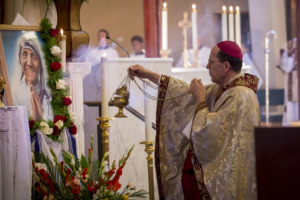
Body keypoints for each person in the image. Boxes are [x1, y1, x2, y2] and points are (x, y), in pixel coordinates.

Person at [128, 41, 260, 199]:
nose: (207, 67)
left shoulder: (240, 95)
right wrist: (148, 74)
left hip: (229, 181)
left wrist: (200, 100)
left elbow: (210, 135)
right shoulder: (224, 90)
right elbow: (184, 92)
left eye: (211, 62)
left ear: (226, 66)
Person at [11, 33, 52, 121]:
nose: (29, 63)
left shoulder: (49, 93)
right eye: (24, 54)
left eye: (34, 56)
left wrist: (41, 111)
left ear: (41, 64)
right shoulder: (14, 94)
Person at [278, 38, 299, 125]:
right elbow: (286, 68)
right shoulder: (289, 46)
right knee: (292, 107)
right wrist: (292, 57)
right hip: (293, 81)